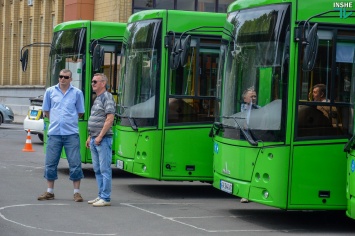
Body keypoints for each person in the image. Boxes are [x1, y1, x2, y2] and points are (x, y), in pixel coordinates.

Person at [38, 69, 85, 202]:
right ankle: (49, 192)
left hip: (71, 133)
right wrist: (55, 120)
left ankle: (76, 193)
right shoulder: (50, 91)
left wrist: (70, 120)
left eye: (66, 77)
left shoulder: (77, 93)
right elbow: (46, 110)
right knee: (50, 163)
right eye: (60, 77)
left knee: (75, 163)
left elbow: (80, 112)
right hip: (54, 133)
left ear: (71, 79)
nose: (62, 79)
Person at [86, 73, 115, 207]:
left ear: (103, 83)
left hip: (103, 140)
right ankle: (100, 195)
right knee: (97, 170)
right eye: (92, 82)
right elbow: (96, 118)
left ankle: (106, 198)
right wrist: (90, 137)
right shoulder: (97, 98)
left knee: (104, 169)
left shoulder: (107, 97)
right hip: (95, 139)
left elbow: (110, 119)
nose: (93, 84)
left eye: (95, 82)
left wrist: (99, 136)